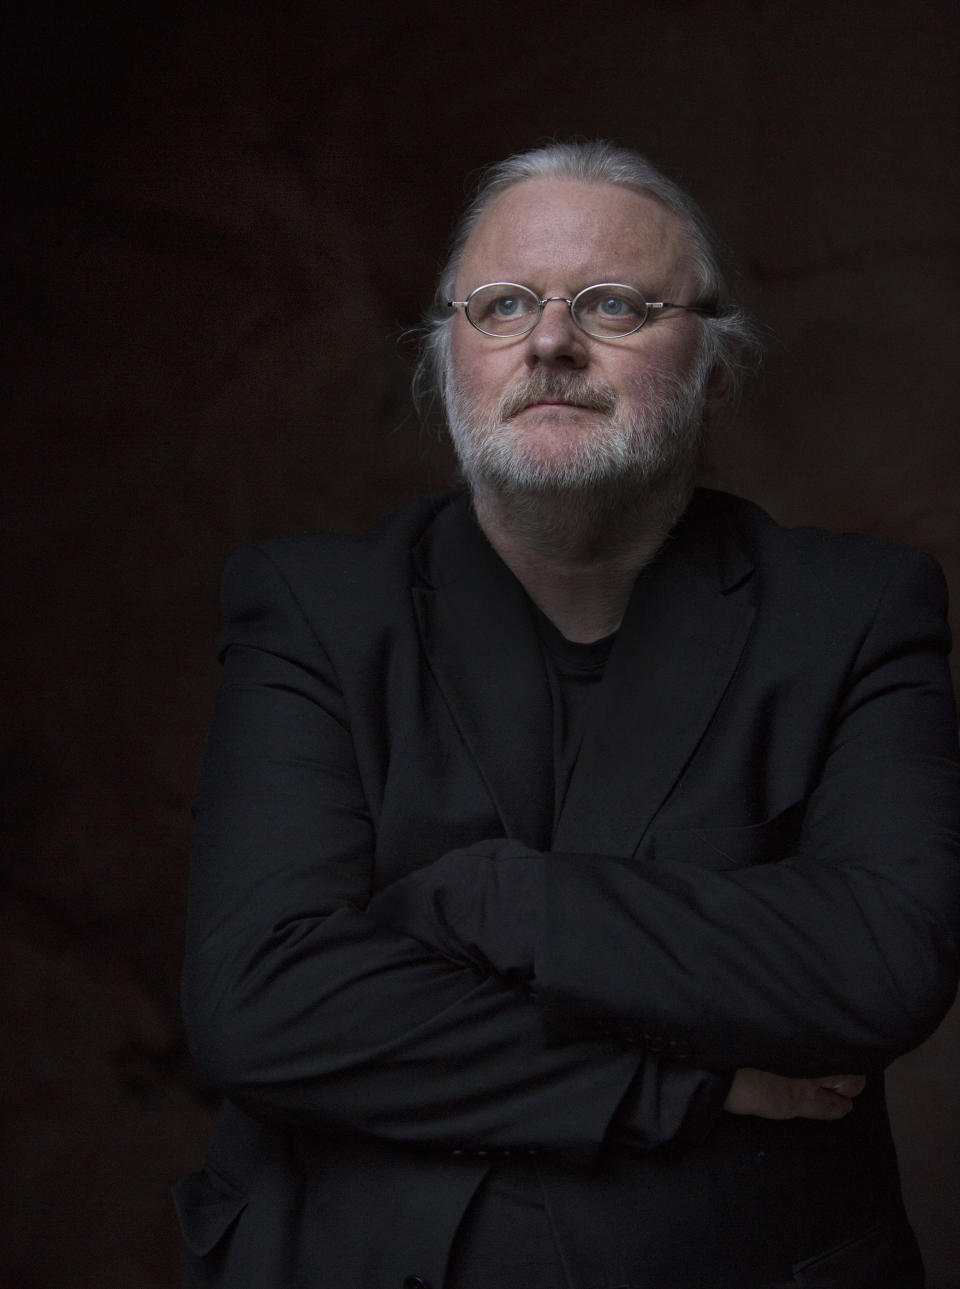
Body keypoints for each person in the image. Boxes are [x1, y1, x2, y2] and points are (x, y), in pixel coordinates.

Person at [174, 141, 960, 1288]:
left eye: (614, 304)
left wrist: (484, 898)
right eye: (501, 305)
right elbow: (261, 1007)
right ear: (448, 357)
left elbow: (884, 962)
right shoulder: (312, 608)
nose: (550, 341)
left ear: (717, 370)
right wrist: (674, 1081)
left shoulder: (853, 610)